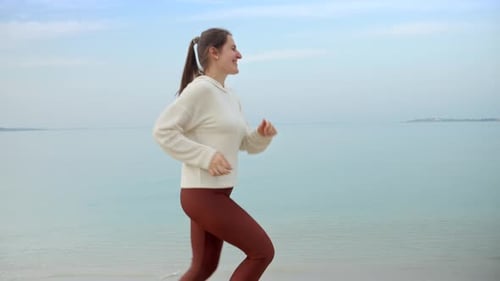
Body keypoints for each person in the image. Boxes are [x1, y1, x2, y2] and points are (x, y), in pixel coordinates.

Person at [153, 28, 277, 281]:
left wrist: (261, 136)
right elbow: (163, 131)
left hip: (216, 193)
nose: (239, 54)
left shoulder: (230, 96)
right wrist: (206, 157)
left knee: (203, 268)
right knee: (262, 252)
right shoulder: (201, 90)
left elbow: (244, 144)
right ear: (213, 52)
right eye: (233, 48)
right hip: (202, 195)